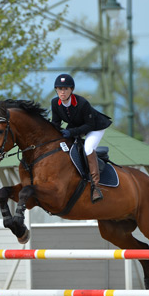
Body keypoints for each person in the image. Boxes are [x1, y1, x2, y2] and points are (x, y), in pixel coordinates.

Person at [50, 74, 112, 203]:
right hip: (77, 126)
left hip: (95, 127)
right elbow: (56, 123)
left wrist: (71, 132)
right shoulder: (55, 103)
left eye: (66, 89)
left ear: (71, 90)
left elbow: (89, 125)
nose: (62, 92)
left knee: (88, 148)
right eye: (60, 89)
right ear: (56, 89)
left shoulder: (82, 103)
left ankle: (95, 187)